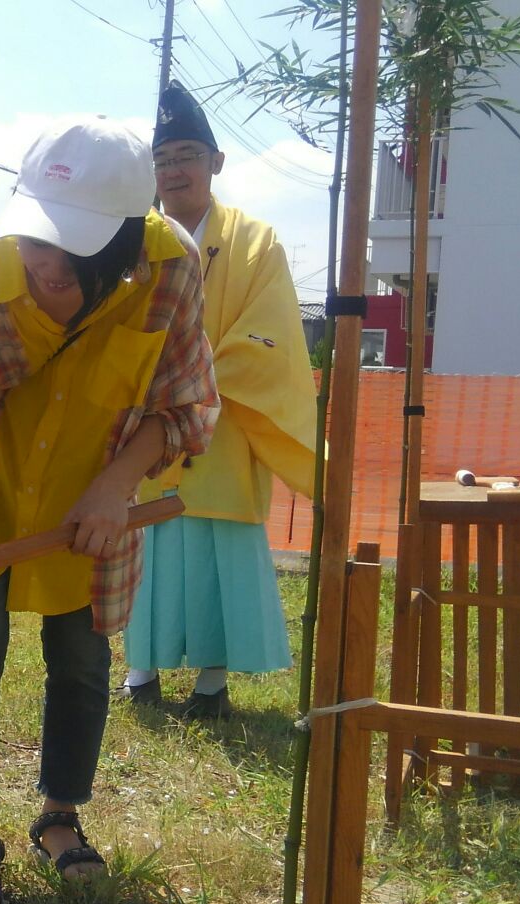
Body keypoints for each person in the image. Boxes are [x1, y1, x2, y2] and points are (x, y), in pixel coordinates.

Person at [0, 116, 219, 904]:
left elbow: (181, 399)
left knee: (80, 660)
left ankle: (59, 816)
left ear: (123, 252)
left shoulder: (170, 269)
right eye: (36, 243)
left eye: (68, 259)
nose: (44, 263)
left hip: (95, 506)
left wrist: (116, 487)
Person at [123, 82, 319, 717]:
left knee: (213, 552)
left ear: (215, 163)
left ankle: (211, 682)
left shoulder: (257, 243)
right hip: (144, 421)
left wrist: (189, 382)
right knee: (145, 547)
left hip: (224, 422)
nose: (174, 169)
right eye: (162, 159)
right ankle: (139, 670)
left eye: (186, 154)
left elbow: (269, 338)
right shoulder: (133, 240)